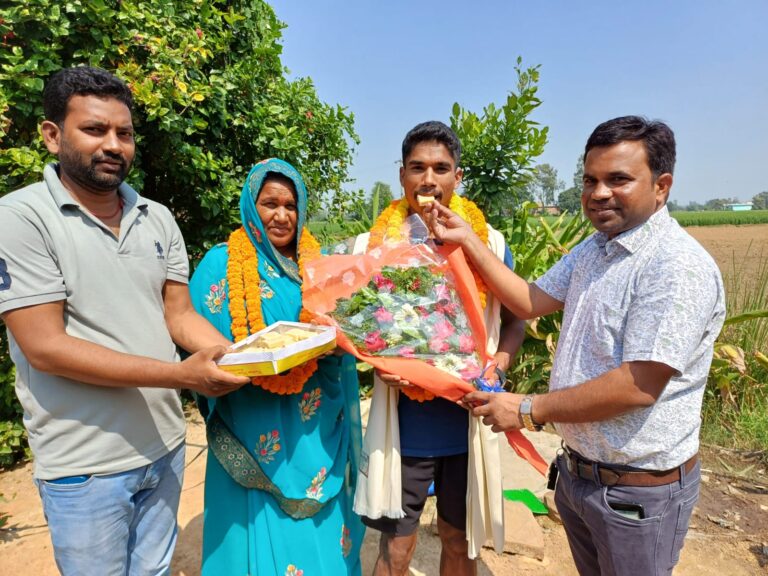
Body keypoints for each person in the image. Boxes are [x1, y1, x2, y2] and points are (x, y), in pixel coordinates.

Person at [428, 116, 726, 576]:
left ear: (661, 186)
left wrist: (527, 408)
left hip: (636, 493)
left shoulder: (675, 266)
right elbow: (529, 300)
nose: (599, 192)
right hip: (582, 479)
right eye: (590, 179)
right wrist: (467, 238)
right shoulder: (596, 248)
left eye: (618, 179)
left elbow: (638, 385)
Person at [0, 66, 250, 575]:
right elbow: (46, 347)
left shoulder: (156, 217)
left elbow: (178, 316)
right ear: (53, 135)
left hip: (163, 443)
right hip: (84, 464)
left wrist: (245, 354)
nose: (114, 145)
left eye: (124, 133)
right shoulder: (21, 218)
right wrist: (183, 376)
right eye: (95, 130)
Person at [353, 121, 527, 576]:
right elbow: (351, 326)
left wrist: (499, 366)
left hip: (468, 417)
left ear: (457, 177)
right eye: (417, 167)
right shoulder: (373, 245)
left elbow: (516, 318)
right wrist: (375, 360)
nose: (428, 179)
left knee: (458, 541)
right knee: (396, 548)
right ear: (402, 175)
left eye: (440, 168)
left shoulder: (489, 242)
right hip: (404, 422)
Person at [189, 158, 364, 575]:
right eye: (270, 204)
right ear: (252, 205)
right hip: (249, 418)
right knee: (251, 529)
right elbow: (197, 340)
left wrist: (338, 344)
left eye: (291, 205)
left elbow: (345, 329)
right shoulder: (220, 265)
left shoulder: (319, 268)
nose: (282, 215)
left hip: (314, 423)